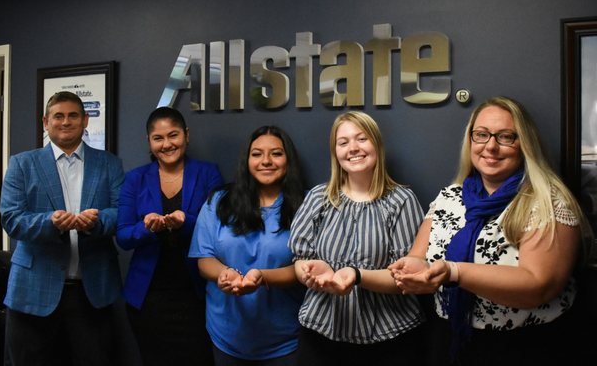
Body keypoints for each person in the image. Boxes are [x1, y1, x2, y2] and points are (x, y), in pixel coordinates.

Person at [389, 96, 594, 366]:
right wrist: (411, 269)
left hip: (525, 346)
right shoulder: (450, 197)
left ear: (525, 144)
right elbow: (419, 259)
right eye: (482, 135)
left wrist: (454, 272)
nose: (491, 147)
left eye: (506, 137)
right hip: (451, 338)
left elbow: (538, 285)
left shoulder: (548, 201)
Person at [288, 111, 425, 366]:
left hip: (390, 339)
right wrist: (310, 272)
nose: (353, 148)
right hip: (321, 335)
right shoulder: (318, 198)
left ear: (377, 145)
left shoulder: (401, 201)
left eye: (362, 139)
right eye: (343, 142)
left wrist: (356, 275)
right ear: (335, 152)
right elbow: (300, 261)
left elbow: (405, 278)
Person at [0, 91, 124, 366]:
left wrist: (97, 221)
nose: (65, 122)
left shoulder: (109, 163)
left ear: (85, 120)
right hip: (33, 292)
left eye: (73, 115)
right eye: (58, 116)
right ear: (46, 121)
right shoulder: (22, 163)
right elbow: (11, 219)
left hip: (92, 293)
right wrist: (49, 222)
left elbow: (121, 213)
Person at [190, 126, 305, 366]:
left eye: (276, 153)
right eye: (257, 154)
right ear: (247, 160)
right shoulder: (219, 201)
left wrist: (262, 277)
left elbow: (306, 269)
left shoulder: (306, 205)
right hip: (226, 336)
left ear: (288, 160)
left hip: (284, 339)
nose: (266, 161)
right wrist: (223, 274)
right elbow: (204, 258)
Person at [116, 106, 222, 366]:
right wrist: (146, 227)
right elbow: (123, 235)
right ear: (149, 141)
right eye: (158, 138)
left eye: (173, 135)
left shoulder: (208, 173)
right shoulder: (135, 179)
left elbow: (219, 229)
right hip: (149, 297)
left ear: (186, 135)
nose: (167, 144)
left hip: (196, 294)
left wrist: (186, 223)